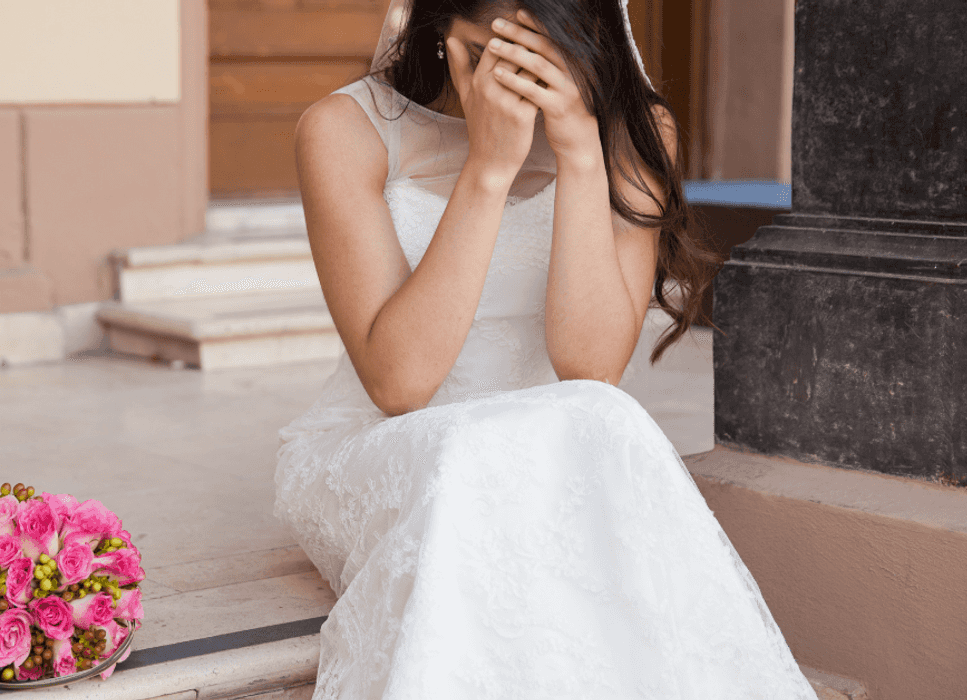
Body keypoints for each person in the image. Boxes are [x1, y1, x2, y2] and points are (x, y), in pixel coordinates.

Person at [274, 0, 818, 697]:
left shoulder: (636, 130)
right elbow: (398, 384)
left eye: (543, 58)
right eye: (491, 54)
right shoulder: (346, 131)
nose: (516, 84)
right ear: (439, 31)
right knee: (489, 456)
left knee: (604, 417)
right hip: (397, 443)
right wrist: (488, 170)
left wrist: (580, 154)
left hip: (560, 443)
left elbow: (588, 370)